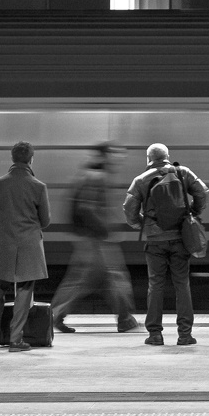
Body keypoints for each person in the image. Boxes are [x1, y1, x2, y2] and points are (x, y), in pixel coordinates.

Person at [123, 143, 209, 347]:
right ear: (168, 156)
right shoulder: (183, 173)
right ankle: (185, 335)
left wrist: (143, 224)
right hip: (180, 238)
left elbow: (129, 210)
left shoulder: (140, 180)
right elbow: (203, 192)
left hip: (155, 241)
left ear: (148, 159)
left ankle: (155, 334)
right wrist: (193, 212)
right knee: (182, 284)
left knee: (155, 285)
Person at [51, 142, 140, 335]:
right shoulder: (96, 176)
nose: (119, 159)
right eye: (115, 155)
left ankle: (124, 318)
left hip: (91, 238)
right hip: (95, 240)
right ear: (104, 156)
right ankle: (124, 319)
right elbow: (87, 208)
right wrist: (105, 231)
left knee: (99, 279)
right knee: (109, 277)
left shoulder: (92, 174)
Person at [0, 140, 50, 352]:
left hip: (6, 244)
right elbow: (45, 221)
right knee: (25, 289)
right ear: (31, 159)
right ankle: (16, 340)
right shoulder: (39, 186)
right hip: (29, 245)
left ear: (12, 158)